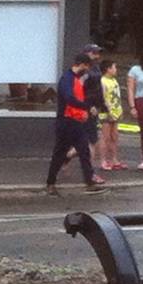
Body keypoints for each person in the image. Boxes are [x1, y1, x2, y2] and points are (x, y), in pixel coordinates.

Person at [45, 53, 108, 196]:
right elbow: (69, 98)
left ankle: (89, 182)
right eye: (86, 66)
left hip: (76, 122)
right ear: (81, 64)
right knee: (59, 153)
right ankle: (50, 183)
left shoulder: (75, 79)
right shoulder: (67, 79)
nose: (87, 70)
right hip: (66, 122)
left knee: (84, 151)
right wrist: (85, 107)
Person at [98, 59, 126, 170]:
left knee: (114, 136)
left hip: (116, 111)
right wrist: (109, 110)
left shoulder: (114, 81)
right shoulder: (102, 81)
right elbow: (104, 97)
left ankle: (114, 159)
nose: (116, 70)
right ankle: (103, 161)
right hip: (106, 112)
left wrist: (119, 110)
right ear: (108, 69)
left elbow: (117, 96)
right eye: (114, 67)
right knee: (106, 137)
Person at [81, 43, 107, 160]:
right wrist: (89, 105)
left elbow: (98, 88)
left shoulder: (96, 68)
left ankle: (67, 158)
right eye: (93, 53)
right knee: (89, 139)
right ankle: (89, 169)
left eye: (98, 53)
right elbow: (81, 90)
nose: (96, 56)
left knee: (92, 138)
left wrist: (102, 104)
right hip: (85, 107)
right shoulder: (82, 69)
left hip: (94, 107)